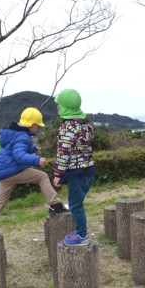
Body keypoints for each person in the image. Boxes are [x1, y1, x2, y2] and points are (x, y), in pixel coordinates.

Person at [0, 107, 68, 236]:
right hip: (12, 171)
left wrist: (33, 148)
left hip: (2, 173)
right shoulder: (23, 137)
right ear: (32, 125)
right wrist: (36, 160)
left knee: (0, 201)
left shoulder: (14, 133)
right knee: (42, 176)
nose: (38, 129)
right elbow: (19, 155)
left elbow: (16, 147)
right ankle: (55, 204)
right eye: (38, 126)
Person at [52, 89, 96, 246]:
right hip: (89, 170)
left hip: (76, 172)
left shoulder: (67, 128)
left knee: (76, 205)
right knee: (77, 202)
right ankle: (80, 230)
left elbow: (63, 153)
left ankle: (82, 235)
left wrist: (58, 174)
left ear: (64, 108)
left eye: (59, 105)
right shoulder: (87, 127)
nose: (57, 108)